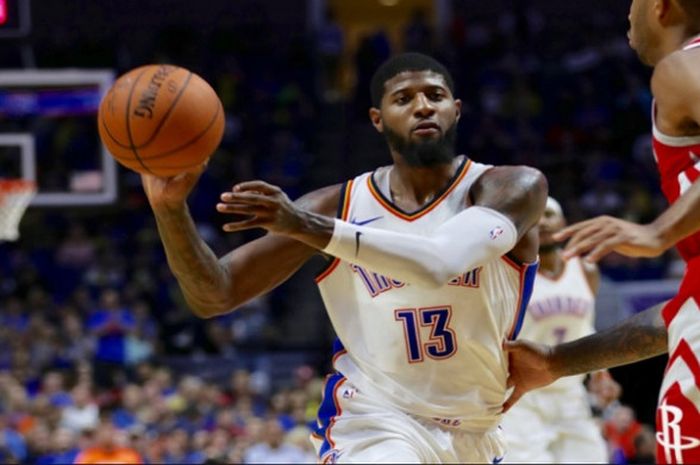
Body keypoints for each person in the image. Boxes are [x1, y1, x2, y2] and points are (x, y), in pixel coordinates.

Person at [141, 52, 547, 463]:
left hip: (477, 428)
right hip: (374, 420)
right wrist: (169, 210)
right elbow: (215, 294)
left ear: (455, 111)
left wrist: (307, 227)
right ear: (377, 119)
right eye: (403, 99)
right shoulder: (337, 205)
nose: (423, 106)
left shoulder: (512, 186)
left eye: (435, 95)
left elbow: (438, 261)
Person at [504, 1, 700, 463]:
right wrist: (556, 362)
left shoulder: (682, 66)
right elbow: (679, 317)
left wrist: (657, 233)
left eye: (630, 4)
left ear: (660, 7)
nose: (625, 19)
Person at [499, 197, 609, 463]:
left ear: (563, 223)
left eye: (549, 214)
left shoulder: (586, 269)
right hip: (522, 396)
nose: (544, 222)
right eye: (536, 216)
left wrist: (601, 372)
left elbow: (586, 326)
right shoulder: (510, 272)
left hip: (571, 392)